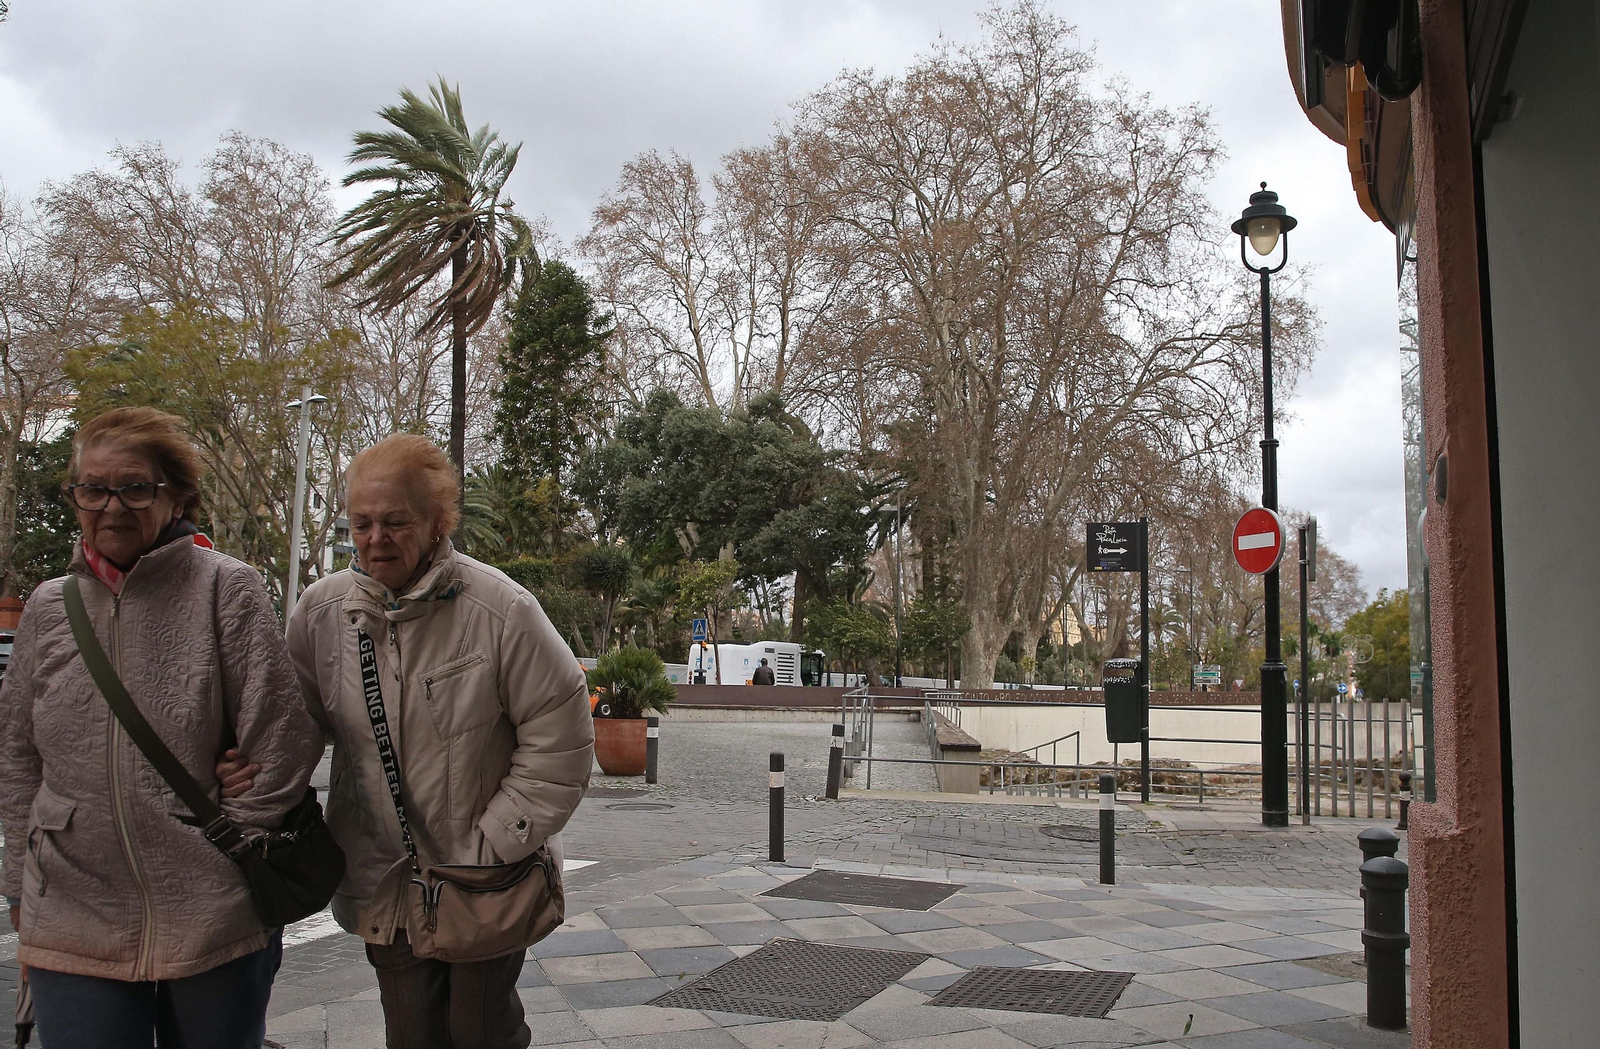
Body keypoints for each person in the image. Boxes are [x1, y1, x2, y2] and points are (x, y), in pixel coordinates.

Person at [0, 406, 322, 1049]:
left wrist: (233, 840)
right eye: (91, 488)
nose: (110, 506)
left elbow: (282, 738)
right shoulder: (45, 606)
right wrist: (20, 889)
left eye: (135, 487)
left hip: (211, 905)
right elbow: (16, 755)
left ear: (176, 496)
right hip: (72, 905)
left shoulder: (226, 589)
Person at [278, 434, 593, 1049]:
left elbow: (561, 732)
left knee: (480, 1031)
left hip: (481, 878)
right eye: (362, 523)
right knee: (412, 1033)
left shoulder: (499, 609)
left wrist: (498, 840)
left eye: (396, 522)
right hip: (386, 878)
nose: (376, 539)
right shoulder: (322, 614)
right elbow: (290, 727)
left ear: (437, 521)